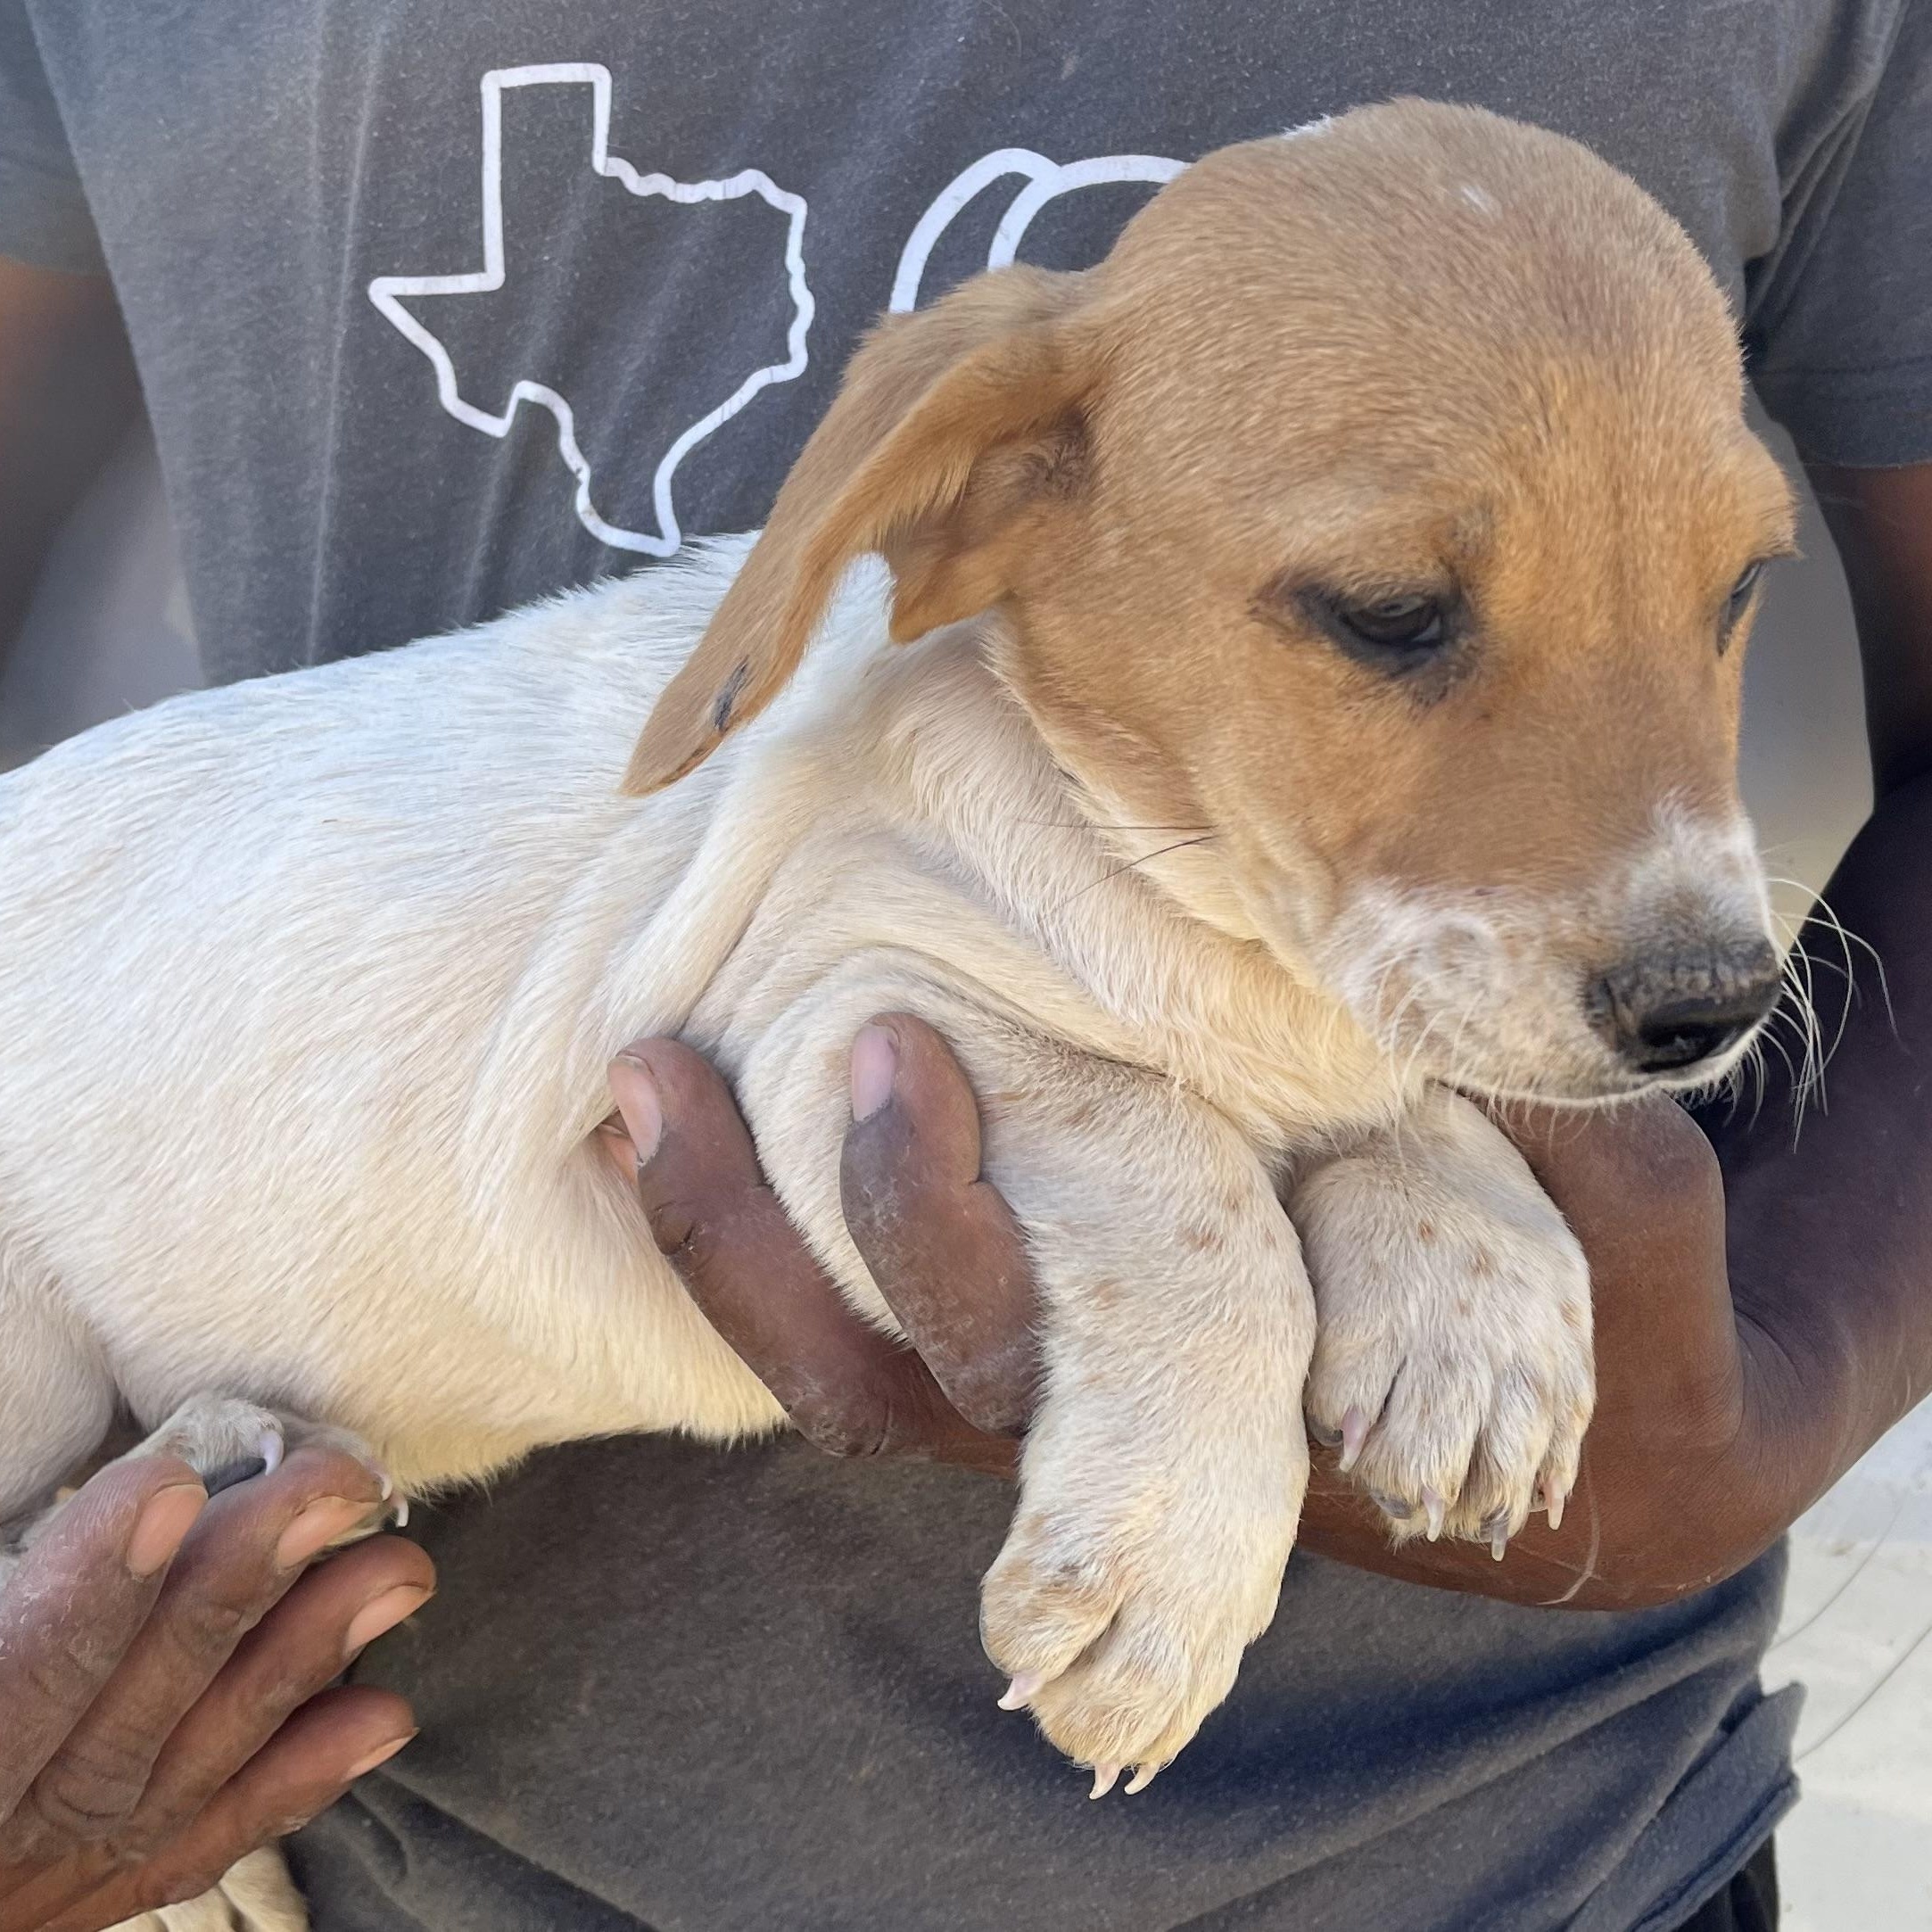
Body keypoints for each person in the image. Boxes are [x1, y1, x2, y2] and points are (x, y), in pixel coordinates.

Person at [0, 2, 1927, 1926]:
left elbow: (1276, 1035)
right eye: (1399, 617)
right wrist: (1204, 1303)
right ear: (965, 495)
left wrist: (1758, 1368)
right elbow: (837, 1078)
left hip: (1564, 1855)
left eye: (1730, 586)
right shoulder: (910, 771)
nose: (1675, 866)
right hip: (156, 1355)